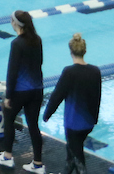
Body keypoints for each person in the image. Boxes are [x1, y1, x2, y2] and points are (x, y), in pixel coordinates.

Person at [43, 33, 102, 174]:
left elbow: (57, 95)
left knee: (78, 158)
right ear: (85, 51)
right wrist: (94, 119)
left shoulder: (69, 72)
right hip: (88, 122)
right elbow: (97, 97)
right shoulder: (95, 71)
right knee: (71, 154)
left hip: (73, 123)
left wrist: (47, 114)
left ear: (71, 52)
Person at [0, 11, 45, 171]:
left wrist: (8, 96)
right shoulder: (37, 40)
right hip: (37, 89)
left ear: (15, 23)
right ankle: (38, 164)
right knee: (33, 126)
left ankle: (7, 156)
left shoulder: (17, 43)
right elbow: (40, 62)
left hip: (20, 91)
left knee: (8, 119)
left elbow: (12, 71)